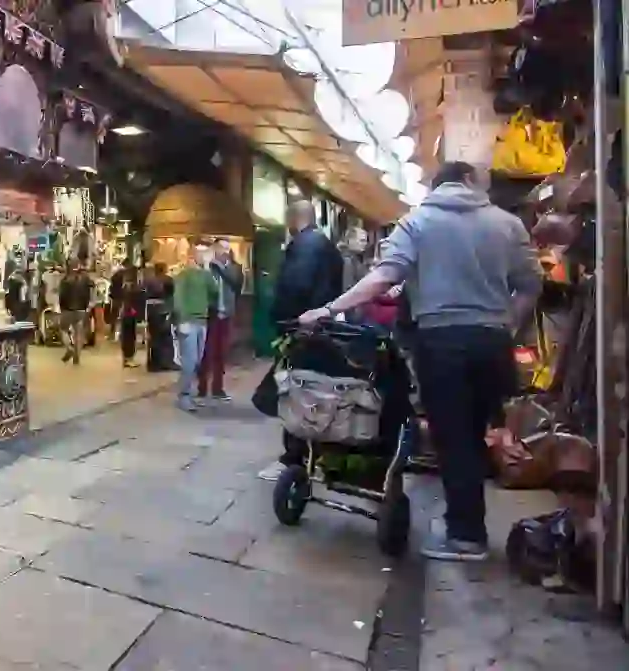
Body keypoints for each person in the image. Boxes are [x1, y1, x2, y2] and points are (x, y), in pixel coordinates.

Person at [298, 161, 541, 562]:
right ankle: (467, 522)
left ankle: (466, 537)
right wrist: (507, 323)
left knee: (452, 436)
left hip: (442, 342)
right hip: (492, 342)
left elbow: (383, 278)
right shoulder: (507, 224)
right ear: (468, 181)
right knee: (477, 431)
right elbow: (531, 284)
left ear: (435, 185)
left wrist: (328, 309)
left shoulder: (418, 222)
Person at [258, 199, 345, 480]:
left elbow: (294, 288)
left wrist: (281, 320)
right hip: (322, 329)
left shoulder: (305, 247)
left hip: (302, 331)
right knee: (317, 392)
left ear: (293, 220)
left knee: (298, 394)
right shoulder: (327, 246)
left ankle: (293, 459)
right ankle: (315, 457)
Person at [172, 244, 219, 411]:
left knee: (197, 360)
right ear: (194, 255)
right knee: (189, 361)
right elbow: (178, 297)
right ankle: (184, 396)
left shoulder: (205, 275)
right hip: (188, 322)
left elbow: (215, 291)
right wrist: (182, 320)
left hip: (202, 322)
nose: (206, 257)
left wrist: (207, 270)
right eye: (203, 254)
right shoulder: (184, 275)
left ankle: (188, 394)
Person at [199, 239, 244, 402]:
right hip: (211, 314)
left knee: (221, 353)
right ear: (215, 249)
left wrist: (220, 267)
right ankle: (202, 388)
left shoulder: (234, 268)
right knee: (207, 352)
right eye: (221, 247)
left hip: (227, 315)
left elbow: (236, 284)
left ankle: (218, 388)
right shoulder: (207, 268)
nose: (225, 251)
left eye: (227, 248)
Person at [58, 260, 92, 364]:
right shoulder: (85, 279)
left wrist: (62, 307)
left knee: (63, 329)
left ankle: (69, 347)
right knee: (79, 334)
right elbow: (89, 293)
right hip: (81, 310)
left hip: (67, 310)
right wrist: (86, 306)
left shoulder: (65, 280)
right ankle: (77, 357)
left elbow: (62, 296)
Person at [144, 263, 177, 371]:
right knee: (166, 337)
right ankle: (167, 361)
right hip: (163, 309)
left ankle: (153, 363)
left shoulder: (148, 281)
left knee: (153, 337)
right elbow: (172, 294)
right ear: (164, 269)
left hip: (151, 310)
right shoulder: (168, 280)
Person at [116, 264, 145, 368]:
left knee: (127, 336)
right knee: (129, 336)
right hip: (129, 315)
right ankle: (129, 358)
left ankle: (127, 358)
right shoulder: (131, 286)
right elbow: (129, 302)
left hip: (126, 314)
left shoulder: (126, 285)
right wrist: (134, 312)